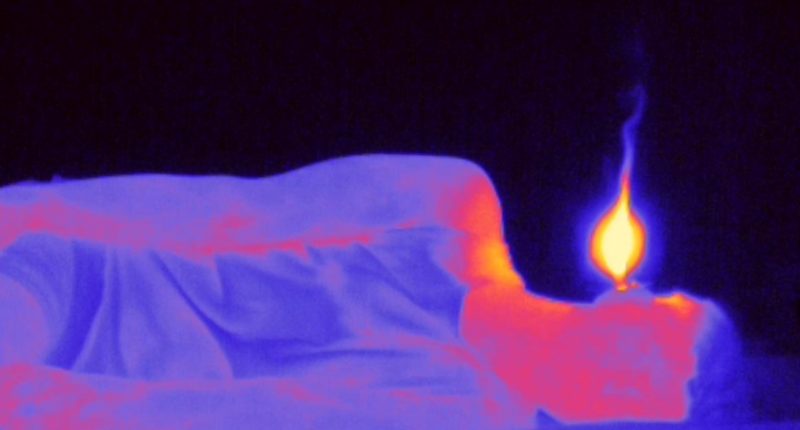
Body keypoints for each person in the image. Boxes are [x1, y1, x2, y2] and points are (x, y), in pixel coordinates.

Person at [0, 155, 743, 429]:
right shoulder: (450, 208)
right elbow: (231, 210)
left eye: (636, 411)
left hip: (84, 407)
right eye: (642, 364)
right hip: (81, 294)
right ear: (627, 301)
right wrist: (27, 206)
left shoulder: (474, 418)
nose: (613, 394)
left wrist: (93, 411)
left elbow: (280, 416)